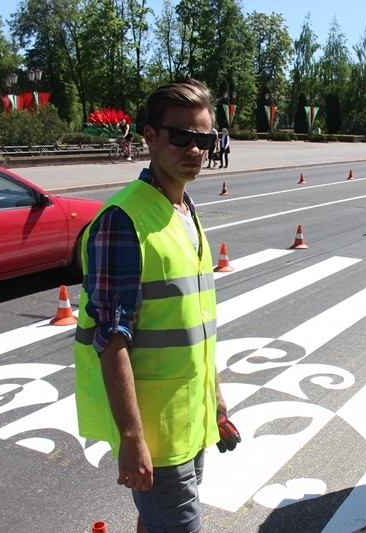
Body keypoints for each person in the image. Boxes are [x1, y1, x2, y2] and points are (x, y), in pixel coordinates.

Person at [74, 79, 233, 533]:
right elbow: (111, 339)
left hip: (191, 417)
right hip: (155, 431)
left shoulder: (185, 208)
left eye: (205, 139)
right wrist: (131, 438)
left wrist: (216, 400)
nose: (195, 149)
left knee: (157, 524)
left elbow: (194, 322)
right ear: (149, 136)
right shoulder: (124, 220)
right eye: (181, 136)